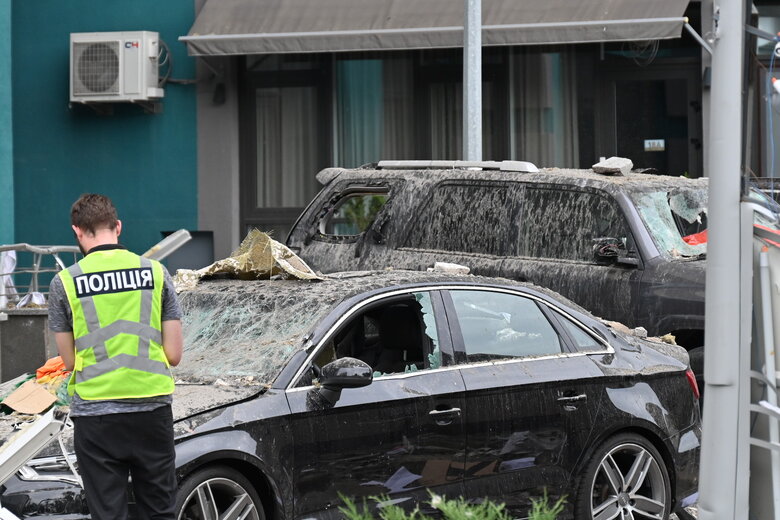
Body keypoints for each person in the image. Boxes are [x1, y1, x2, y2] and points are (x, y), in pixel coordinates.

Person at [47, 193, 183, 520]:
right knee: (160, 511)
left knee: (108, 513)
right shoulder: (156, 273)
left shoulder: (64, 282)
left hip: (97, 417)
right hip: (152, 410)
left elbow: (69, 362)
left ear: (77, 231)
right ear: (117, 226)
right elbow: (174, 354)